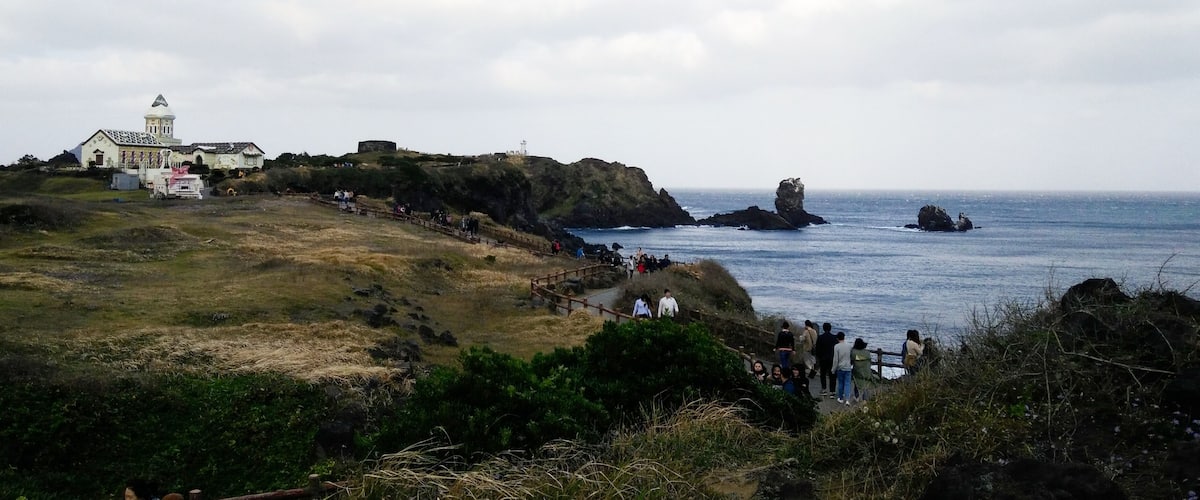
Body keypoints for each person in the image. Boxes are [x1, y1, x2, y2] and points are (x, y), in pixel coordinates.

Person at [851, 338, 878, 403]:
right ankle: (864, 399)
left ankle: (857, 397)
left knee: (857, 383)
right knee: (865, 385)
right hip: (866, 371)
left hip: (857, 371)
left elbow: (851, 361)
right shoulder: (867, 352)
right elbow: (870, 362)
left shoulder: (853, 352)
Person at [815, 322, 838, 397]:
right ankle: (832, 391)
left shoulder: (820, 337)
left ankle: (824, 389)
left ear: (823, 328)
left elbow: (817, 349)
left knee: (823, 374)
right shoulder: (834, 337)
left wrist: (819, 357)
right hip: (832, 358)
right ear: (830, 328)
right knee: (832, 375)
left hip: (823, 359)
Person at [832, 332, 853, 405]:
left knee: (840, 383)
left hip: (840, 367)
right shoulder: (849, 346)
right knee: (847, 384)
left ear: (837, 338)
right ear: (844, 337)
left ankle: (840, 398)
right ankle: (847, 399)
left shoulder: (836, 346)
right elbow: (851, 356)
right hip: (848, 367)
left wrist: (833, 369)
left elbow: (835, 359)